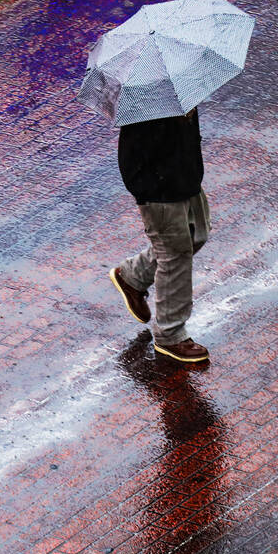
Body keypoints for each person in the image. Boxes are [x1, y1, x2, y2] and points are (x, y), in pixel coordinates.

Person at [109, 106, 211, 363]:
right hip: (161, 188)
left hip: (186, 176)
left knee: (196, 234)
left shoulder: (179, 86)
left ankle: (133, 275)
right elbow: (143, 153)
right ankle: (170, 334)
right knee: (175, 253)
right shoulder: (145, 100)